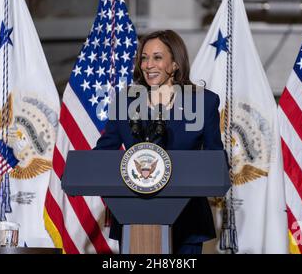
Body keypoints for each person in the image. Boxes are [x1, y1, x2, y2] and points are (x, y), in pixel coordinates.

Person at [94, 30, 225, 254]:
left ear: (175, 64)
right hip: (133, 217)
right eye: (144, 58)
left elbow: (216, 159)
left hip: (188, 220)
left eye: (157, 57)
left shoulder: (203, 102)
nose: (148, 64)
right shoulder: (125, 101)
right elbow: (102, 154)